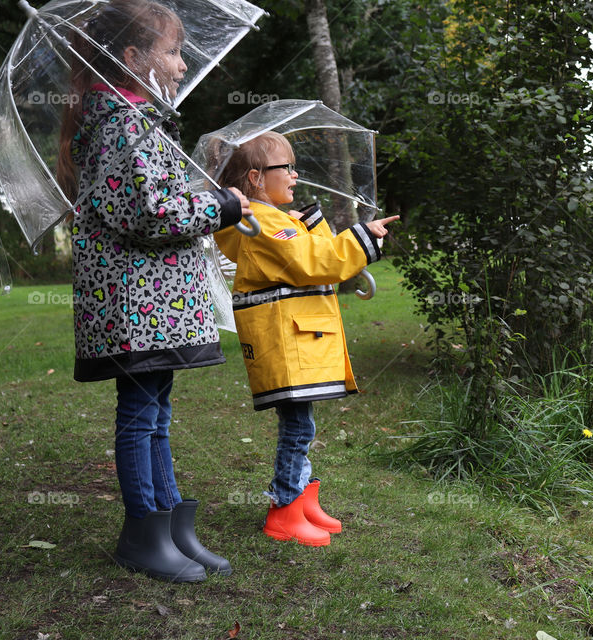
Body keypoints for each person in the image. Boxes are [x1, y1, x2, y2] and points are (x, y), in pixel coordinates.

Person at [55, 0, 253, 582]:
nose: (181, 62)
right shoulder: (122, 123)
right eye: (171, 51)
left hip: (152, 305)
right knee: (141, 414)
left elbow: (156, 199)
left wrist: (207, 195)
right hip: (134, 305)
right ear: (132, 57)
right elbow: (150, 213)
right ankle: (143, 530)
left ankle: (171, 526)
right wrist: (219, 205)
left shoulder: (137, 120)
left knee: (156, 413)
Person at [213, 131, 398, 547]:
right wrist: (363, 237)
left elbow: (312, 251)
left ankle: (304, 498)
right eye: (288, 168)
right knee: (297, 427)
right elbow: (314, 262)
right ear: (257, 178)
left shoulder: (276, 221)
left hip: (296, 340)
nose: (296, 175)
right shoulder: (260, 225)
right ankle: (284, 508)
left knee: (303, 423)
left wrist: (312, 222)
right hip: (286, 343)